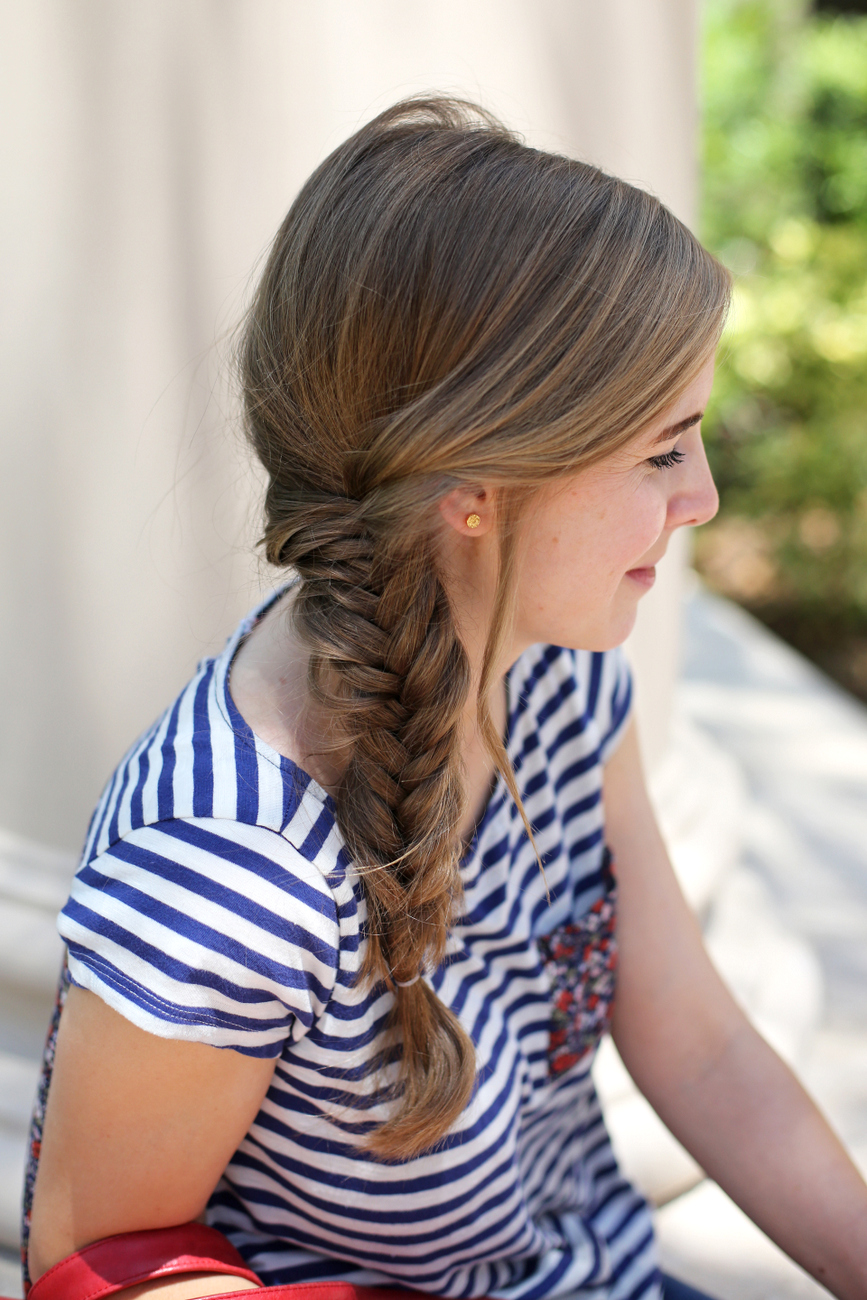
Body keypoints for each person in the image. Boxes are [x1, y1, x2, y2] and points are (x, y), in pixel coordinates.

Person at [22, 97, 867, 1300]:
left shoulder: (560, 677)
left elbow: (711, 1051)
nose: (707, 499)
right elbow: (106, 1262)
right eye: (663, 450)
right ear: (477, 491)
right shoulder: (226, 868)